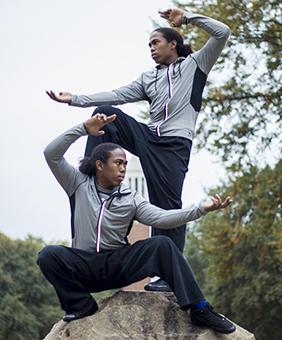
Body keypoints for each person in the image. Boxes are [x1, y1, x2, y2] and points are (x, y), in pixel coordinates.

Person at [46, 8, 231, 292]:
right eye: (148, 45)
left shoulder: (196, 64)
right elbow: (117, 95)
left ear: (173, 43)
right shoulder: (149, 78)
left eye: (155, 42)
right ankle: (93, 176)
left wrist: (188, 18)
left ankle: (166, 275)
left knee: (168, 206)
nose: (151, 49)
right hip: (148, 136)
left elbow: (223, 32)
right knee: (106, 112)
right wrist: (75, 99)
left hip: (173, 145)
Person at [37, 114, 235, 334]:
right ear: (100, 165)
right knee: (48, 255)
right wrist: (83, 128)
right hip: (86, 266)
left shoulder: (130, 197)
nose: (122, 168)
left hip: (118, 264)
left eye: (125, 164)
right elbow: (51, 153)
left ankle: (199, 308)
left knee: (162, 244)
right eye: (118, 163)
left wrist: (200, 209)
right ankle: (81, 305)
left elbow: (162, 218)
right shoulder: (78, 183)